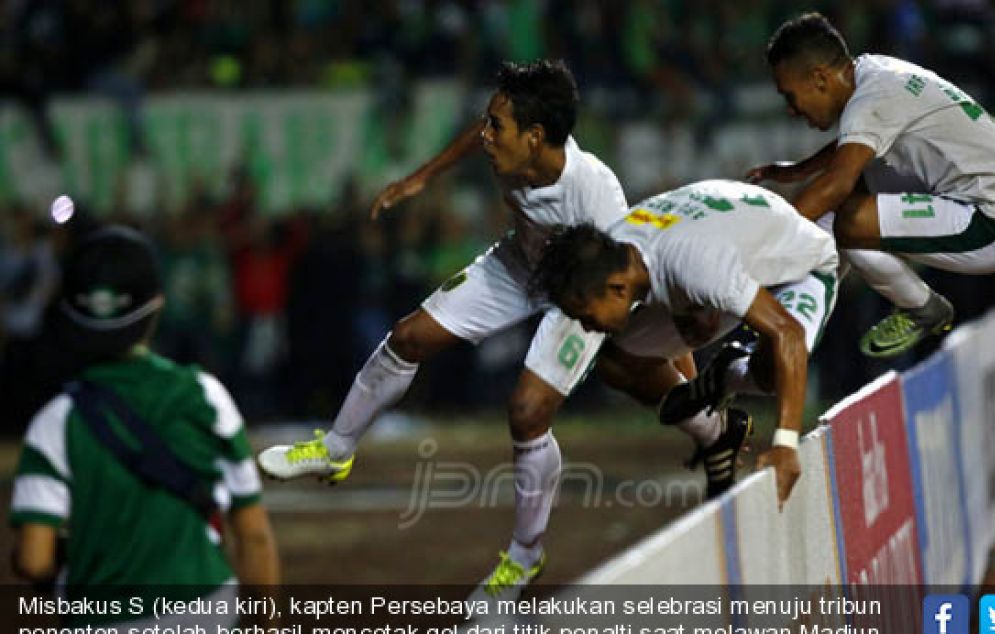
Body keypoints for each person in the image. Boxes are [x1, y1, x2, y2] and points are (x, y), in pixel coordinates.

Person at [256, 60, 710, 600]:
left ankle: (524, 558)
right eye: (489, 121)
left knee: (527, 411)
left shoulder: (599, 201)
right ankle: (336, 447)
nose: (486, 133)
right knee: (409, 337)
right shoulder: (512, 142)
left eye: (497, 126)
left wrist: (685, 368)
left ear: (535, 137)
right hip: (521, 264)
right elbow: (474, 134)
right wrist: (421, 176)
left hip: (578, 288)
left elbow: (638, 297)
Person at [9, 225, 280, 628]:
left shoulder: (55, 422)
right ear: (157, 305)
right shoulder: (204, 395)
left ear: (70, 310)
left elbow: (33, 559)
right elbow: (254, 536)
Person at [533, 179, 839, 505]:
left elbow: (788, 334)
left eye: (586, 315)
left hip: (798, 269)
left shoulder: (696, 267)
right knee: (616, 362)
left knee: (776, 374)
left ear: (618, 289)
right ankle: (718, 432)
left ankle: (727, 373)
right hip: (731, 251)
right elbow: (677, 286)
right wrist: (702, 411)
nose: (586, 326)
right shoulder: (619, 250)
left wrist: (785, 444)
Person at [747, 12, 995, 358]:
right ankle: (789, 322)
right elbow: (854, 144)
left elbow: (837, 182)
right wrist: (800, 170)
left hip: (993, 219)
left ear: (820, 78)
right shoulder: (872, 71)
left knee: (847, 219)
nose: (791, 110)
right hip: (985, 189)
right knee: (834, 212)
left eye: (790, 96)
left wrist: (757, 245)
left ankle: (922, 307)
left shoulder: (871, 100)